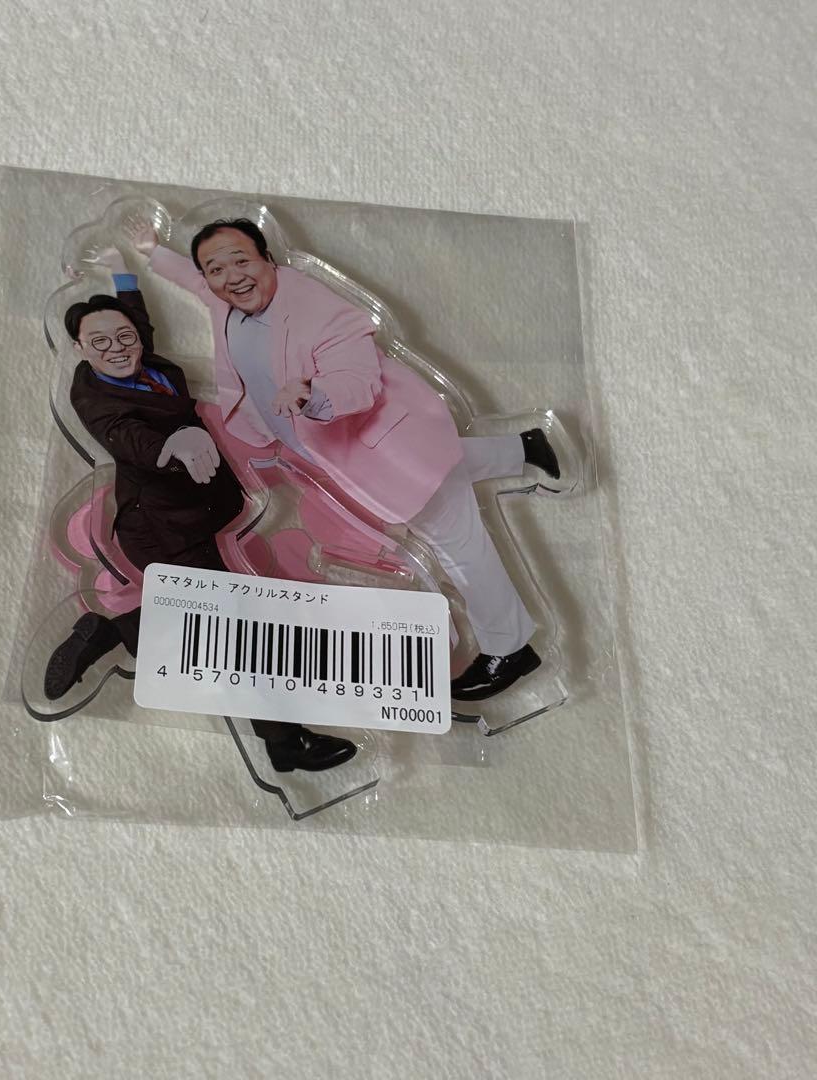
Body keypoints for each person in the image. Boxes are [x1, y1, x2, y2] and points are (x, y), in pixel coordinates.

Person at [130, 217, 561, 700]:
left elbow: (357, 381)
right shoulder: (226, 299)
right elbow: (194, 280)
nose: (230, 276)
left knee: (458, 545)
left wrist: (312, 394)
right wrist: (152, 250)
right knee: (450, 467)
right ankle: (527, 448)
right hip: (361, 451)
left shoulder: (317, 311)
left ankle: (511, 648)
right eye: (216, 269)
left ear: (267, 258)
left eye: (240, 261)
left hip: (390, 449)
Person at [43, 252, 356, 773]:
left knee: (211, 625)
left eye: (124, 337)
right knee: (234, 633)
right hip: (159, 526)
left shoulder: (144, 361)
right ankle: (284, 742)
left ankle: (112, 632)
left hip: (192, 514)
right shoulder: (95, 396)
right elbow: (126, 435)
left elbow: (135, 322)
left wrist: (122, 268)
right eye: (99, 342)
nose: (117, 348)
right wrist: (174, 443)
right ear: (78, 347)